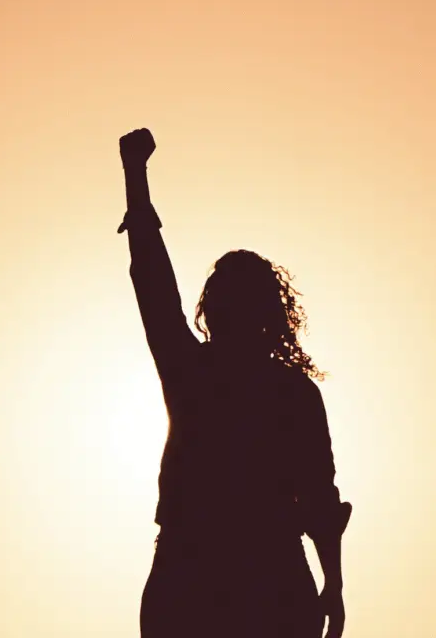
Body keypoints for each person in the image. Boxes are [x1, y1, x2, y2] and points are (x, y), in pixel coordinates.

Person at [118, 128, 352, 638]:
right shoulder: (276, 389)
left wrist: (135, 175)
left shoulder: (203, 374)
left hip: (228, 576)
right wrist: (332, 583)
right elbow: (152, 280)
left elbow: (318, 497)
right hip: (230, 574)